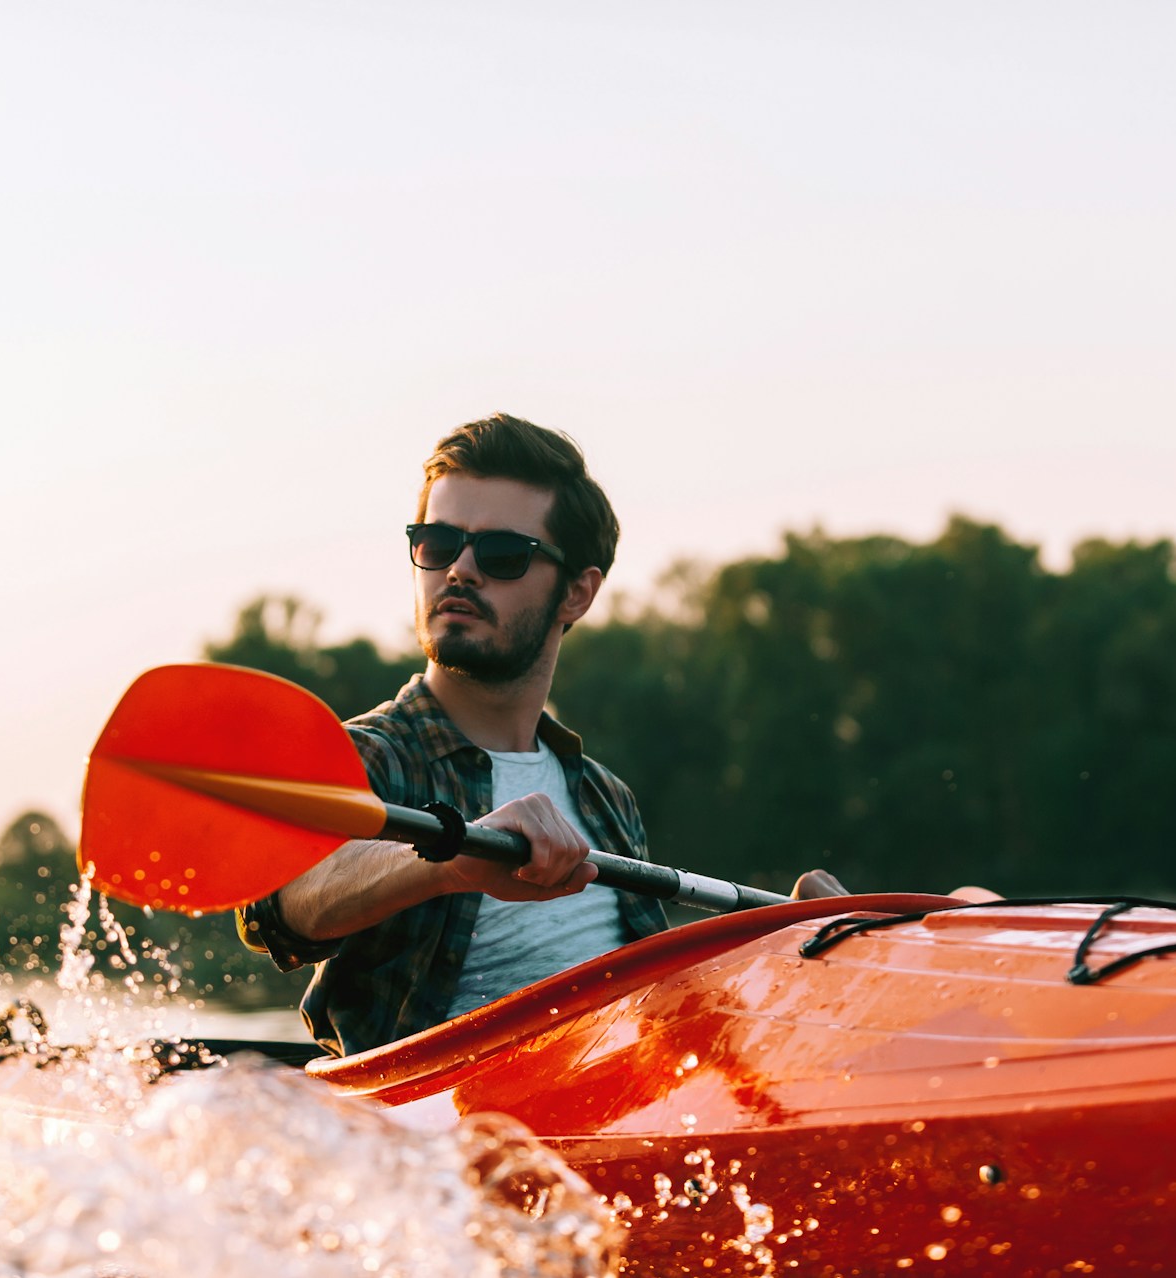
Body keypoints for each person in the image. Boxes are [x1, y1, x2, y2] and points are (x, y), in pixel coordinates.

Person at [237, 415, 843, 1056]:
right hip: (439, 1130)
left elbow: (661, 1010)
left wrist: (798, 942)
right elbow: (279, 905)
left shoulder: (606, 797)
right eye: (439, 543)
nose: (461, 571)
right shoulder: (365, 756)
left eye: (501, 555)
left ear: (576, 594)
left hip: (615, 1111)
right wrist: (449, 864)